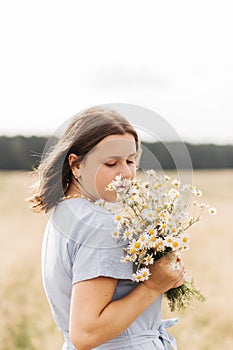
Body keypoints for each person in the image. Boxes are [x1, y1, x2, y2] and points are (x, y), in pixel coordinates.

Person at [28, 106, 186, 350]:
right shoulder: (101, 226)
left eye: (131, 161)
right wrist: (153, 285)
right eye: (111, 163)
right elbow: (86, 333)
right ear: (76, 165)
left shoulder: (64, 214)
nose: (126, 174)